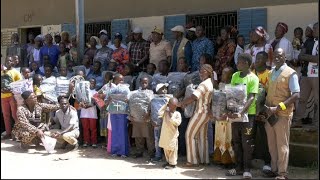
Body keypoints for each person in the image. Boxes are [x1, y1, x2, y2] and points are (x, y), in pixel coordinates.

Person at [262, 48, 300, 179]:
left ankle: (282, 173)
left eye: (280, 55)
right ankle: (274, 169)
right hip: (269, 114)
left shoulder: (291, 73)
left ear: (285, 57)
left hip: (282, 114)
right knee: (272, 144)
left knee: (282, 144)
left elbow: (296, 95)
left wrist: (279, 107)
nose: (277, 58)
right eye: (275, 56)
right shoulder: (271, 72)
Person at [225, 53, 259, 179]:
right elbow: (231, 94)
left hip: (248, 115)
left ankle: (247, 169)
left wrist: (242, 112)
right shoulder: (235, 76)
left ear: (246, 64)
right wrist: (229, 110)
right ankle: (238, 167)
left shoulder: (253, 78)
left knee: (247, 142)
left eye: (239, 62)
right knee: (236, 141)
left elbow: (251, 97)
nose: (237, 63)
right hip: (235, 114)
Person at [178, 64, 214, 167]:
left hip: (200, 112)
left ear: (208, 72)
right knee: (202, 137)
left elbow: (194, 97)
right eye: (200, 71)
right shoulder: (210, 83)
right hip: (206, 113)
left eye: (203, 71)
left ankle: (192, 160)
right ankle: (204, 160)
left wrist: (182, 103)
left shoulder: (203, 84)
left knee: (189, 135)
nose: (200, 73)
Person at [293, 22, 319, 129]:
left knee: (317, 100)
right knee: (302, 98)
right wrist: (310, 57)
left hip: (317, 75)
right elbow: (300, 56)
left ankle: (316, 123)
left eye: (316, 28)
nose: (314, 30)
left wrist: (305, 56)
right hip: (306, 74)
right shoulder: (309, 41)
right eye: (313, 28)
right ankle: (297, 120)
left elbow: (317, 59)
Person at [252, 51, 272, 174]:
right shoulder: (251, 73)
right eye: (256, 58)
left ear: (265, 60)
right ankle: (247, 161)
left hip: (264, 111)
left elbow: (271, 92)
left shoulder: (269, 73)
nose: (257, 60)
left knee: (265, 137)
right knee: (250, 136)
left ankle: (268, 163)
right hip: (251, 110)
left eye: (260, 58)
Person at [213, 66, 235, 167]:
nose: (222, 75)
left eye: (225, 73)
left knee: (227, 138)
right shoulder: (221, 85)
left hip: (227, 118)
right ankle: (220, 159)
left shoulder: (233, 87)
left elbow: (233, 104)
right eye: (222, 73)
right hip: (219, 117)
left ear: (230, 75)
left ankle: (229, 161)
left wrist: (226, 114)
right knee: (219, 138)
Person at [129, 77, 155, 159]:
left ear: (148, 83)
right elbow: (130, 103)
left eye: (146, 82)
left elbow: (152, 104)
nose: (144, 84)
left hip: (146, 118)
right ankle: (139, 151)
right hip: (136, 118)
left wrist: (149, 113)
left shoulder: (150, 93)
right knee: (138, 136)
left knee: (149, 137)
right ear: (139, 82)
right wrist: (131, 114)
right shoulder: (134, 92)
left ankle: (151, 153)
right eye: (143, 82)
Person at [106, 73, 130, 157]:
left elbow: (129, 100)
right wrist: (108, 99)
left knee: (122, 131)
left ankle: (123, 152)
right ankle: (115, 151)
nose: (122, 81)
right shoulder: (111, 90)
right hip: (113, 113)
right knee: (115, 132)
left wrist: (127, 100)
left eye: (122, 80)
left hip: (123, 113)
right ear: (115, 80)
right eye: (120, 80)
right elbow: (106, 101)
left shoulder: (126, 89)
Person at [1, 56, 23, 139]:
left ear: (13, 62)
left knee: (15, 115)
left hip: (12, 96)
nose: (8, 62)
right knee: (6, 115)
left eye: (10, 61)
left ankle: (18, 133)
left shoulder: (16, 72)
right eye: (6, 61)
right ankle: (8, 133)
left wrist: (10, 91)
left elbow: (19, 85)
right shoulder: (2, 72)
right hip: (3, 97)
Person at [158, 97, 182, 169]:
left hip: (172, 136)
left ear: (176, 106)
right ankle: (168, 162)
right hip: (165, 135)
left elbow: (178, 123)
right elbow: (159, 112)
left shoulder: (177, 114)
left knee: (172, 150)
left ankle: (173, 164)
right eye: (171, 105)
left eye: (174, 106)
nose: (173, 107)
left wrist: (171, 117)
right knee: (166, 149)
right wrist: (166, 105)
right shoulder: (165, 112)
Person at [79, 79, 98, 148]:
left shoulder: (96, 92)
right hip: (84, 113)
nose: (91, 84)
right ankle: (86, 141)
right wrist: (82, 105)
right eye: (90, 83)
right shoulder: (82, 92)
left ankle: (94, 142)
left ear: (95, 84)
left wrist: (89, 105)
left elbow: (97, 103)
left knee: (93, 128)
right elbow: (79, 101)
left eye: (93, 83)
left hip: (92, 114)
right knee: (85, 128)